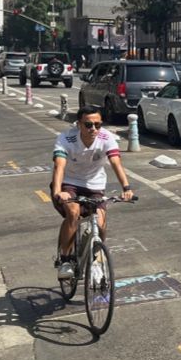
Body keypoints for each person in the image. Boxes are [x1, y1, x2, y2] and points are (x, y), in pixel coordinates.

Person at [50, 106, 134, 279]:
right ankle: (65, 259)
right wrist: (58, 191)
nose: (94, 129)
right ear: (79, 124)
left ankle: (95, 254)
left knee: (101, 222)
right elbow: (59, 165)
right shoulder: (66, 138)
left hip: (95, 185)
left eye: (98, 124)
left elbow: (116, 162)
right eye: (88, 125)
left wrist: (126, 188)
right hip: (69, 183)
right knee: (73, 213)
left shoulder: (106, 137)